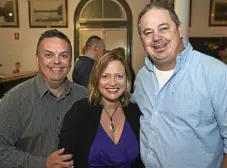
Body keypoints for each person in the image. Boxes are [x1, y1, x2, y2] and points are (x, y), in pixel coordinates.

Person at [132, 2, 227, 168]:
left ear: (180, 30)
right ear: (142, 40)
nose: (156, 37)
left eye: (163, 28)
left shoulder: (216, 74)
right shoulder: (142, 78)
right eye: (148, 32)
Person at [0, 29, 87, 168]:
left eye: (63, 55)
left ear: (71, 60)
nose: (57, 61)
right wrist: (43, 163)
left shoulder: (84, 96)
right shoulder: (15, 100)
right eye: (49, 55)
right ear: (37, 59)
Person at [59, 50, 144, 168]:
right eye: (105, 76)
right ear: (96, 79)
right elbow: (64, 161)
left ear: (127, 79)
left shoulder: (135, 111)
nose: (113, 83)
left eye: (119, 76)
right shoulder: (79, 112)